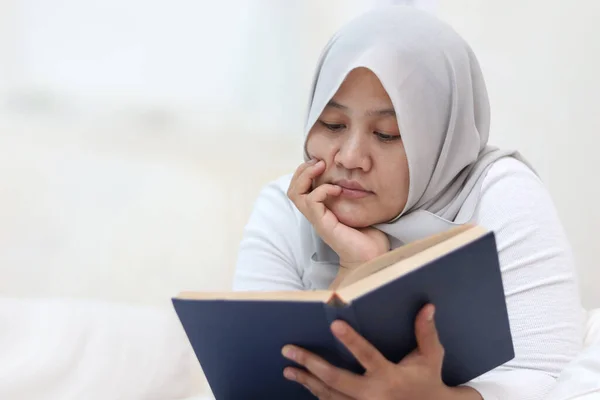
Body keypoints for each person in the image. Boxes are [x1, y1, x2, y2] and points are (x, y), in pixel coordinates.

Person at [232, 5, 583, 399]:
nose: (350, 158)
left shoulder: (499, 196)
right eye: (332, 125)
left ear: (440, 139)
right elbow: (258, 384)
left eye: (387, 133)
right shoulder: (286, 207)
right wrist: (357, 270)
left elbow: (555, 376)